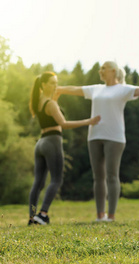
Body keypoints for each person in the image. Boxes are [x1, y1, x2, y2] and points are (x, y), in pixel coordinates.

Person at [55, 61, 139, 222]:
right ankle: (100, 215)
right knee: (98, 177)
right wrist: (59, 89)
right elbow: (75, 89)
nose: (100, 71)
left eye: (104, 68)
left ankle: (111, 216)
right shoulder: (95, 89)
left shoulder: (123, 89)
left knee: (112, 175)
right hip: (94, 136)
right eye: (100, 68)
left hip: (114, 137)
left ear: (113, 71)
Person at [28, 71, 101, 225]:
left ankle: (32, 217)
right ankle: (42, 215)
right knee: (56, 180)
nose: (56, 86)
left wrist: (56, 96)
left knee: (38, 183)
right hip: (52, 142)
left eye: (57, 83)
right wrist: (89, 121)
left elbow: (49, 111)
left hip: (40, 143)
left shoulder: (38, 101)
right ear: (43, 85)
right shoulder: (51, 104)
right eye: (52, 83)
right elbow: (64, 124)